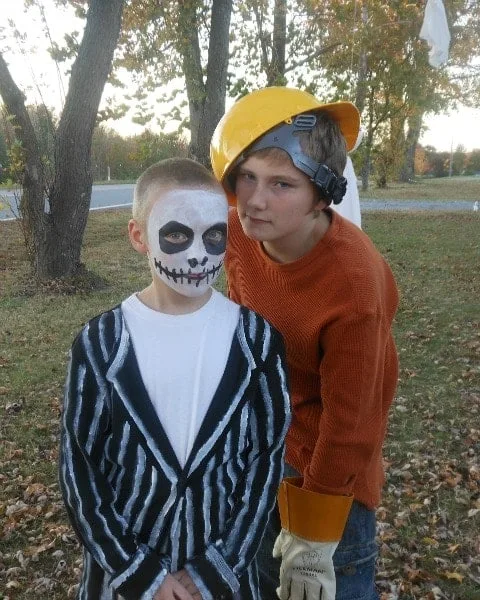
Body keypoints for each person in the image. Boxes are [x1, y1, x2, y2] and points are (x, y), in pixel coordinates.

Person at [58, 157, 291, 600]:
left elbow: (266, 460)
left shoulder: (257, 342)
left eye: (214, 236)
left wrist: (218, 566)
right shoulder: (101, 345)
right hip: (123, 582)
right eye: (177, 235)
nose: (199, 254)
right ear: (138, 236)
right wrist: (137, 571)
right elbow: (79, 471)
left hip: (222, 581)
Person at [210, 87, 399, 600]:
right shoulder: (239, 234)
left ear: (322, 193)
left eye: (281, 183)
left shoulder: (353, 287)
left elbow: (353, 423)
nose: (255, 199)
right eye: (246, 176)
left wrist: (315, 534)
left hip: (329, 472)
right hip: (261, 451)